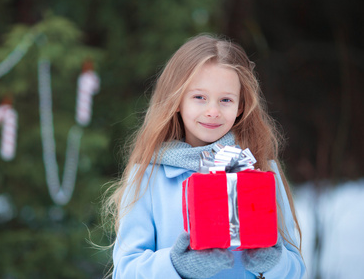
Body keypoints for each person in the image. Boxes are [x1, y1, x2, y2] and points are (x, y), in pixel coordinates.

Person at [104, 34, 305, 278]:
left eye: (226, 100)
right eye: (199, 97)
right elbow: (125, 271)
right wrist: (176, 266)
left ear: (240, 106)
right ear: (177, 100)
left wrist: (274, 262)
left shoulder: (262, 169)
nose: (213, 111)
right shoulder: (147, 176)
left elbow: (297, 269)